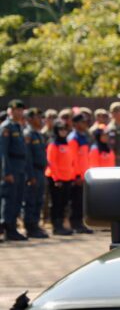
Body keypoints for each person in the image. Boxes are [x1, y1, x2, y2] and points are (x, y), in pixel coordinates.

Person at [1, 99, 33, 241]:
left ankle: (13, 227)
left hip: (20, 168)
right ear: (10, 111)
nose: (19, 112)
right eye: (16, 110)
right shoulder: (6, 127)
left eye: (21, 110)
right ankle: (8, 228)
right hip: (12, 168)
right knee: (10, 200)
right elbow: (2, 152)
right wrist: (6, 172)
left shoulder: (18, 127)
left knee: (18, 199)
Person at [23, 107, 50, 239]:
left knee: (39, 200)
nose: (41, 120)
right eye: (37, 117)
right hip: (33, 171)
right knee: (31, 200)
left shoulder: (38, 134)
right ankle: (30, 226)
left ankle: (35, 224)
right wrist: (30, 175)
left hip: (40, 171)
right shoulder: (28, 134)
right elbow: (27, 157)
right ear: (30, 119)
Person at [46, 119, 74, 236]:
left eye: (65, 129)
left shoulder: (66, 143)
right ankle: (56, 226)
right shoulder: (53, 144)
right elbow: (51, 162)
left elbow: (70, 161)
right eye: (61, 129)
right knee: (56, 203)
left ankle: (62, 224)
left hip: (67, 178)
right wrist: (56, 178)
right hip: (57, 179)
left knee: (64, 203)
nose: (63, 132)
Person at [67, 113, 93, 233]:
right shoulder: (73, 138)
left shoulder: (82, 136)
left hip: (83, 174)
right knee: (76, 201)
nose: (85, 124)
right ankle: (75, 224)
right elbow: (72, 159)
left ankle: (79, 223)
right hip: (76, 176)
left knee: (81, 201)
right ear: (76, 124)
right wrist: (77, 175)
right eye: (82, 122)